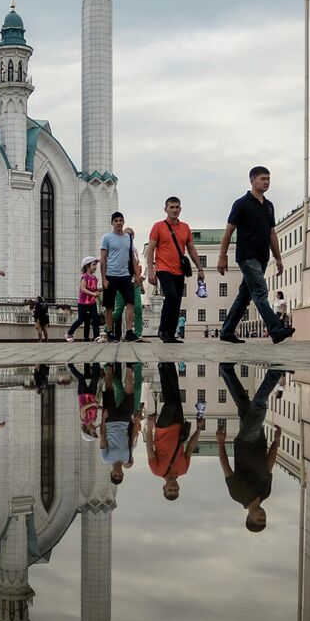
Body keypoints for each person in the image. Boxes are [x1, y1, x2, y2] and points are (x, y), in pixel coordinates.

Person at [216, 166, 294, 345]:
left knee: (244, 296)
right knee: (260, 292)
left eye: (268, 179)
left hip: (262, 257)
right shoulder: (241, 203)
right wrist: (222, 256)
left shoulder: (268, 206)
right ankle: (276, 330)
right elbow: (229, 231)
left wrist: (279, 258)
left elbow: (271, 233)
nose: (266, 182)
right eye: (262, 179)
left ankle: (227, 331)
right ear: (252, 180)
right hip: (247, 256)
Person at [217, 367, 287, 531]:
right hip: (259, 441)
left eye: (258, 520)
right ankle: (226, 369)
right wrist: (276, 442)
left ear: (249, 517)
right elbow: (269, 466)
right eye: (264, 520)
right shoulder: (266, 493)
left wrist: (220, 442)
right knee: (243, 403)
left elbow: (226, 468)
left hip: (246, 442)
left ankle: (275, 372)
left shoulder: (238, 495)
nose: (262, 517)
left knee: (259, 408)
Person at [146, 197, 207, 343]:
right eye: (171, 207)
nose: (174, 210)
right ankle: (163, 329)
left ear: (180, 209)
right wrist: (150, 271)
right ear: (165, 209)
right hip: (163, 268)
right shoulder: (158, 226)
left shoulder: (185, 227)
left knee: (177, 300)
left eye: (177, 207)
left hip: (179, 270)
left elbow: (191, 249)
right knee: (171, 296)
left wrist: (200, 268)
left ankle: (171, 334)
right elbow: (150, 249)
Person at [146, 361, 199, 500]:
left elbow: (150, 450)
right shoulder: (183, 469)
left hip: (162, 429)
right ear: (179, 488)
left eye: (170, 490)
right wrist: (198, 430)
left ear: (164, 488)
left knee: (172, 402)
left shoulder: (156, 471)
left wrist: (150, 427)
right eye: (175, 490)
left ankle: (163, 367)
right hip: (178, 427)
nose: (173, 488)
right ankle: (168, 366)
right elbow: (190, 449)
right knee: (175, 396)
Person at [98, 211, 142, 343]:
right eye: (116, 220)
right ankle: (109, 332)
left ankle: (129, 332)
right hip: (111, 275)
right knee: (109, 306)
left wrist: (138, 275)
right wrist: (104, 278)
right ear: (112, 223)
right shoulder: (107, 238)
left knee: (131, 303)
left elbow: (132, 259)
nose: (119, 223)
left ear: (124, 222)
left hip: (125, 276)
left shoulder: (128, 238)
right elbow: (103, 259)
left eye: (121, 220)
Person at [98, 362, 143, 485]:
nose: (118, 473)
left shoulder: (106, 458)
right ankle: (129, 367)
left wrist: (103, 419)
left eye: (115, 475)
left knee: (109, 391)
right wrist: (137, 421)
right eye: (120, 475)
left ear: (111, 473)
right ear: (122, 473)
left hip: (110, 421)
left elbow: (102, 438)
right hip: (124, 420)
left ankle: (109, 369)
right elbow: (132, 438)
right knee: (130, 394)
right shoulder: (127, 457)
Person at [66, 256, 101, 342]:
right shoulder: (85, 276)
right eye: (93, 264)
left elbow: (94, 289)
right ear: (87, 266)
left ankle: (96, 336)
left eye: (96, 265)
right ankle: (69, 333)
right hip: (83, 303)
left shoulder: (95, 278)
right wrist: (93, 294)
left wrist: (100, 290)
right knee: (81, 319)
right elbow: (82, 288)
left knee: (95, 318)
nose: (95, 267)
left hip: (92, 302)